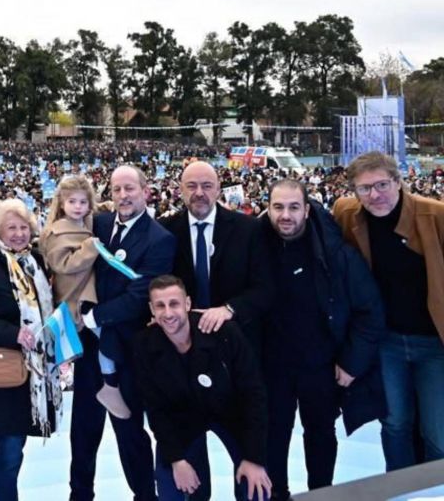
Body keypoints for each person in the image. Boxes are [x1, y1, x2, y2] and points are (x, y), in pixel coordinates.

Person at [260, 179, 385, 499]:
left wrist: (352, 363)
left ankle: (320, 494)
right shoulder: (254, 247)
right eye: (278, 207)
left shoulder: (334, 253)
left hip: (322, 365)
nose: (285, 215)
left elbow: (369, 311)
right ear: (268, 208)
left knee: (320, 435)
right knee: (273, 435)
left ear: (307, 209)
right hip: (272, 366)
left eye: (293, 207)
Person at [161, 161, 274, 500]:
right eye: (191, 185)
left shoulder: (248, 229)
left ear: (219, 188)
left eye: (207, 185)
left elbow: (265, 289)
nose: (199, 193)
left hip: (234, 362)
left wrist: (228, 310)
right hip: (183, 365)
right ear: (180, 189)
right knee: (188, 481)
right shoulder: (165, 231)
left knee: (252, 473)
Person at [69, 165, 176, 501]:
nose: (123, 196)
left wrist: (91, 318)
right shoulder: (98, 225)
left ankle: (145, 495)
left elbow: (140, 296)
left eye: (130, 189)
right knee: (83, 432)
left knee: (130, 433)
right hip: (89, 352)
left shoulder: (160, 239)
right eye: (116, 190)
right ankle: (80, 494)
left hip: (128, 354)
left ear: (146, 190)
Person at [332, 152, 444, 470]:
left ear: (398, 181)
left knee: (437, 432)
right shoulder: (347, 214)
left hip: (434, 343)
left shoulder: (435, 216)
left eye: (382, 184)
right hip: (387, 343)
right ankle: (399, 489)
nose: (375, 195)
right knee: (394, 423)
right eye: (364, 188)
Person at [135, 275, 272, 501]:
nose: (168, 313)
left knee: (257, 489)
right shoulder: (144, 345)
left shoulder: (226, 333)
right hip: (183, 421)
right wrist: (177, 460)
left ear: (188, 304)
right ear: (151, 309)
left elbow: (253, 395)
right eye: (160, 306)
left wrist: (254, 459)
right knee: (170, 488)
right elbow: (157, 410)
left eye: (174, 304)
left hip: (231, 413)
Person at [0, 198, 61, 501]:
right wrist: (12, 333)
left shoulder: (35, 262)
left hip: (34, 373)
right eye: (12, 227)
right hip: (2, 372)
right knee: (7, 450)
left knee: (15, 448)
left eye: (24, 227)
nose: (19, 233)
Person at [38, 175, 129, 418]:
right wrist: (90, 247)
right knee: (104, 339)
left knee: (105, 340)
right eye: (72, 202)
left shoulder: (87, 227)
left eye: (82, 202)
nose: (78, 207)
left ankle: (110, 383)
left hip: (89, 293)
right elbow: (64, 264)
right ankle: (110, 384)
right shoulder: (57, 232)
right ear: (61, 203)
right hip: (74, 296)